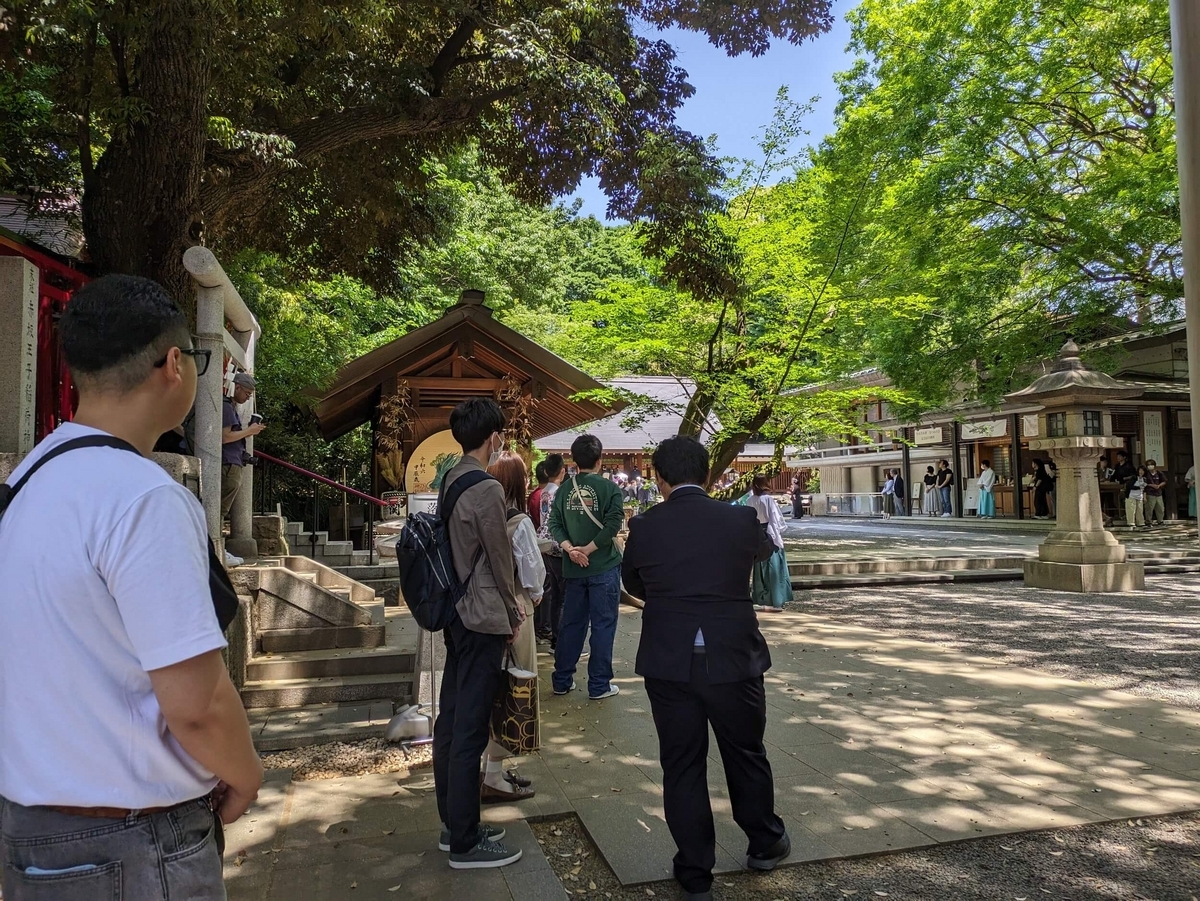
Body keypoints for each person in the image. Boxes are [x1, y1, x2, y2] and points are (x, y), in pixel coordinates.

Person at [0, 274, 262, 901]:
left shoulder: (30, 479)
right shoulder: (143, 497)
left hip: (31, 828)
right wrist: (244, 773)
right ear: (175, 364)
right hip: (133, 845)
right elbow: (196, 703)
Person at [622, 437, 790, 901]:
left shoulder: (645, 525)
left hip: (670, 657)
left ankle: (695, 869)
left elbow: (631, 580)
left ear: (660, 478)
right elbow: (763, 552)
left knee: (681, 763)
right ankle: (764, 841)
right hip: (733, 652)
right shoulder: (740, 518)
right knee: (745, 751)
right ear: (706, 472)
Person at [434, 398, 524, 869]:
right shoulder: (487, 489)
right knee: (470, 725)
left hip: (455, 611)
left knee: (451, 718)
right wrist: (513, 615)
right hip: (482, 614)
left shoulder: (451, 477)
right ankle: (465, 842)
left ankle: (454, 823)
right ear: (494, 437)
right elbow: (500, 556)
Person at [480, 451, 544, 803]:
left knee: (490, 692)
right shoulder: (519, 522)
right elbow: (533, 578)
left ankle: (490, 770)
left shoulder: (480, 516)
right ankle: (494, 776)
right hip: (516, 611)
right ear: (519, 482)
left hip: (482, 612)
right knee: (515, 690)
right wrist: (535, 595)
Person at [548, 434, 626, 700]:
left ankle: (561, 680)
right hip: (603, 565)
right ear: (600, 460)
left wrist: (571, 549)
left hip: (573, 569)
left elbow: (554, 524)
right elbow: (614, 524)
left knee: (571, 624)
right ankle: (599, 685)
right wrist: (589, 549)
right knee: (603, 625)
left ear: (573, 461)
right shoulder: (610, 489)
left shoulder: (563, 490)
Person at [220, 371, 264, 565]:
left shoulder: (230, 407)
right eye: (246, 392)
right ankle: (217, 549)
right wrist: (249, 431)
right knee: (220, 510)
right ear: (236, 387)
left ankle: (218, 548)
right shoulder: (226, 407)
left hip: (233, 461)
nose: (248, 397)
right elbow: (225, 437)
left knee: (221, 510)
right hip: (228, 464)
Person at [536, 454, 568, 647]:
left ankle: (555, 636)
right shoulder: (559, 492)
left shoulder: (544, 492)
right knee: (563, 596)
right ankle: (562, 640)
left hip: (546, 544)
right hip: (559, 544)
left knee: (554, 594)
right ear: (562, 471)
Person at [748, 476, 791, 610]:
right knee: (774, 567)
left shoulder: (750, 500)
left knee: (760, 567)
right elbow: (775, 518)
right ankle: (776, 600)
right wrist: (778, 533)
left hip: (756, 533)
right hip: (770, 534)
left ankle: (761, 598)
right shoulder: (768, 500)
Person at [1112, 450, 1136, 523]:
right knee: (1116, 499)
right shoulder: (1117, 466)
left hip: (1127, 484)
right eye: (1117, 456)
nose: (1118, 458)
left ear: (1124, 457)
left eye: (1120, 456)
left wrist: (1125, 478)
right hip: (1118, 484)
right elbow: (1114, 474)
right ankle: (1120, 514)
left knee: (1124, 499)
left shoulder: (1129, 465)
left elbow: (1133, 475)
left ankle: (1125, 514)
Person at [1144, 459, 1167, 526]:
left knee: (1160, 508)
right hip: (1150, 493)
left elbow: (1164, 481)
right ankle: (1148, 521)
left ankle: (1160, 521)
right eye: (1148, 465)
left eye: (1151, 465)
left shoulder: (1159, 473)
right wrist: (1151, 485)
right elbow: (1143, 483)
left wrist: (1159, 485)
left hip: (1158, 493)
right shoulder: (1146, 474)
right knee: (1149, 508)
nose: (1150, 466)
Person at [1126, 466, 1147, 530]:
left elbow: (1145, 489)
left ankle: (1140, 522)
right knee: (1131, 510)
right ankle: (1131, 522)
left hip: (1140, 496)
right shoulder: (1134, 478)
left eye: (1142, 471)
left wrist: (1145, 497)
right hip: (1131, 495)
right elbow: (1129, 486)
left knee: (1140, 510)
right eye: (1140, 470)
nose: (1141, 472)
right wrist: (1138, 487)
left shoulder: (1145, 479)